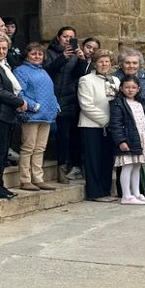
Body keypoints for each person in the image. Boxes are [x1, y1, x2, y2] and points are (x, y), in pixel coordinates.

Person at [113, 48, 145, 198]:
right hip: (127, 125)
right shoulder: (115, 78)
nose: (131, 66)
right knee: (127, 159)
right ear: (121, 64)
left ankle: (144, 187)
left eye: (135, 63)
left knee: (144, 156)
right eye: (127, 62)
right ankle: (125, 191)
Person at [14, 42, 59, 191]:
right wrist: (34, 106)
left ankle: (38, 178)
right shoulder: (21, 71)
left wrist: (55, 105)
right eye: (33, 53)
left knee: (40, 148)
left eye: (40, 54)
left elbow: (49, 92)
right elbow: (20, 92)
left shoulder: (43, 71)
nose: (37, 56)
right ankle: (25, 179)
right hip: (31, 115)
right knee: (28, 148)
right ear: (27, 55)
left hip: (46, 115)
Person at [0, 32, 26, 200]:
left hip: (8, 114)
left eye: (4, 48)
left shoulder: (4, 63)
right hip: (0, 114)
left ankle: (0, 185)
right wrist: (18, 101)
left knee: (3, 152)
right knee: (0, 152)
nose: (1, 51)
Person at [77, 49, 120, 201]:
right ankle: (95, 192)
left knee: (107, 159)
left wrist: (115, 122)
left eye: (107, 61)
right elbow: (86, 105)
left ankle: (106, 190)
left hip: (110, 127)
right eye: (101, 61)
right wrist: (107, 121)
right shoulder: (86, 80)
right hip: (92, 126)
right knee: (93, 159)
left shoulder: (115, 80)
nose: (104, 64)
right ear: (95, 63)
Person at [45, 26, 86, 182]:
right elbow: (48, 70)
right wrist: (63, 57)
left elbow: (79, 75)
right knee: (54, 133)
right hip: (52, 97)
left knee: (67, 136)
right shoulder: (49, 53)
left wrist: (82, 60)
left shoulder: (76, 55)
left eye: (71, 37)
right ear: (58, 37)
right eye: (65, 36)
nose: (68, 39)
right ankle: (57, 164)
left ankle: (67, 167)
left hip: (69, 99)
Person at [109, 75, 145, 205]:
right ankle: (126, 195)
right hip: (128, 140)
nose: (130, 90)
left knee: (137, 166)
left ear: (138, 89)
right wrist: (121, 141)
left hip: (140, 139)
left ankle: (136, 193)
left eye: (133, 87)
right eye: (127, 87)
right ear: (121, 88)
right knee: (127, 167)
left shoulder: (141, 103)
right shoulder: (118, 104)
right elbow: (116, 124)